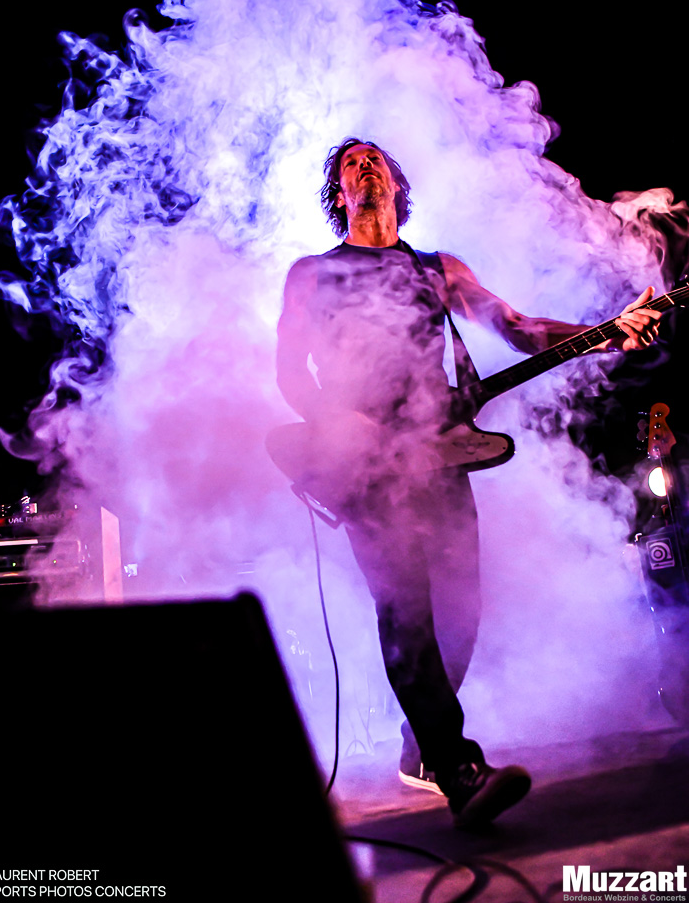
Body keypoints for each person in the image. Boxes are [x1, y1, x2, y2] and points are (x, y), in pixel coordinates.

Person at [269, 137, 662, 827]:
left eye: (375, 159)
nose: (364, 166)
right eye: (350, 163)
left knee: (461, 610)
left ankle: (422, 743)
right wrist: (335, 420)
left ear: (397, 185)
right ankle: (458, 769)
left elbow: (517, 327)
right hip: (366, 465)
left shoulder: (436, 269)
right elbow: (287, 370)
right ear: (339, 193)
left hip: (439, 455)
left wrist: (604, 332)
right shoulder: (313, 273)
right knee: (406, 612)